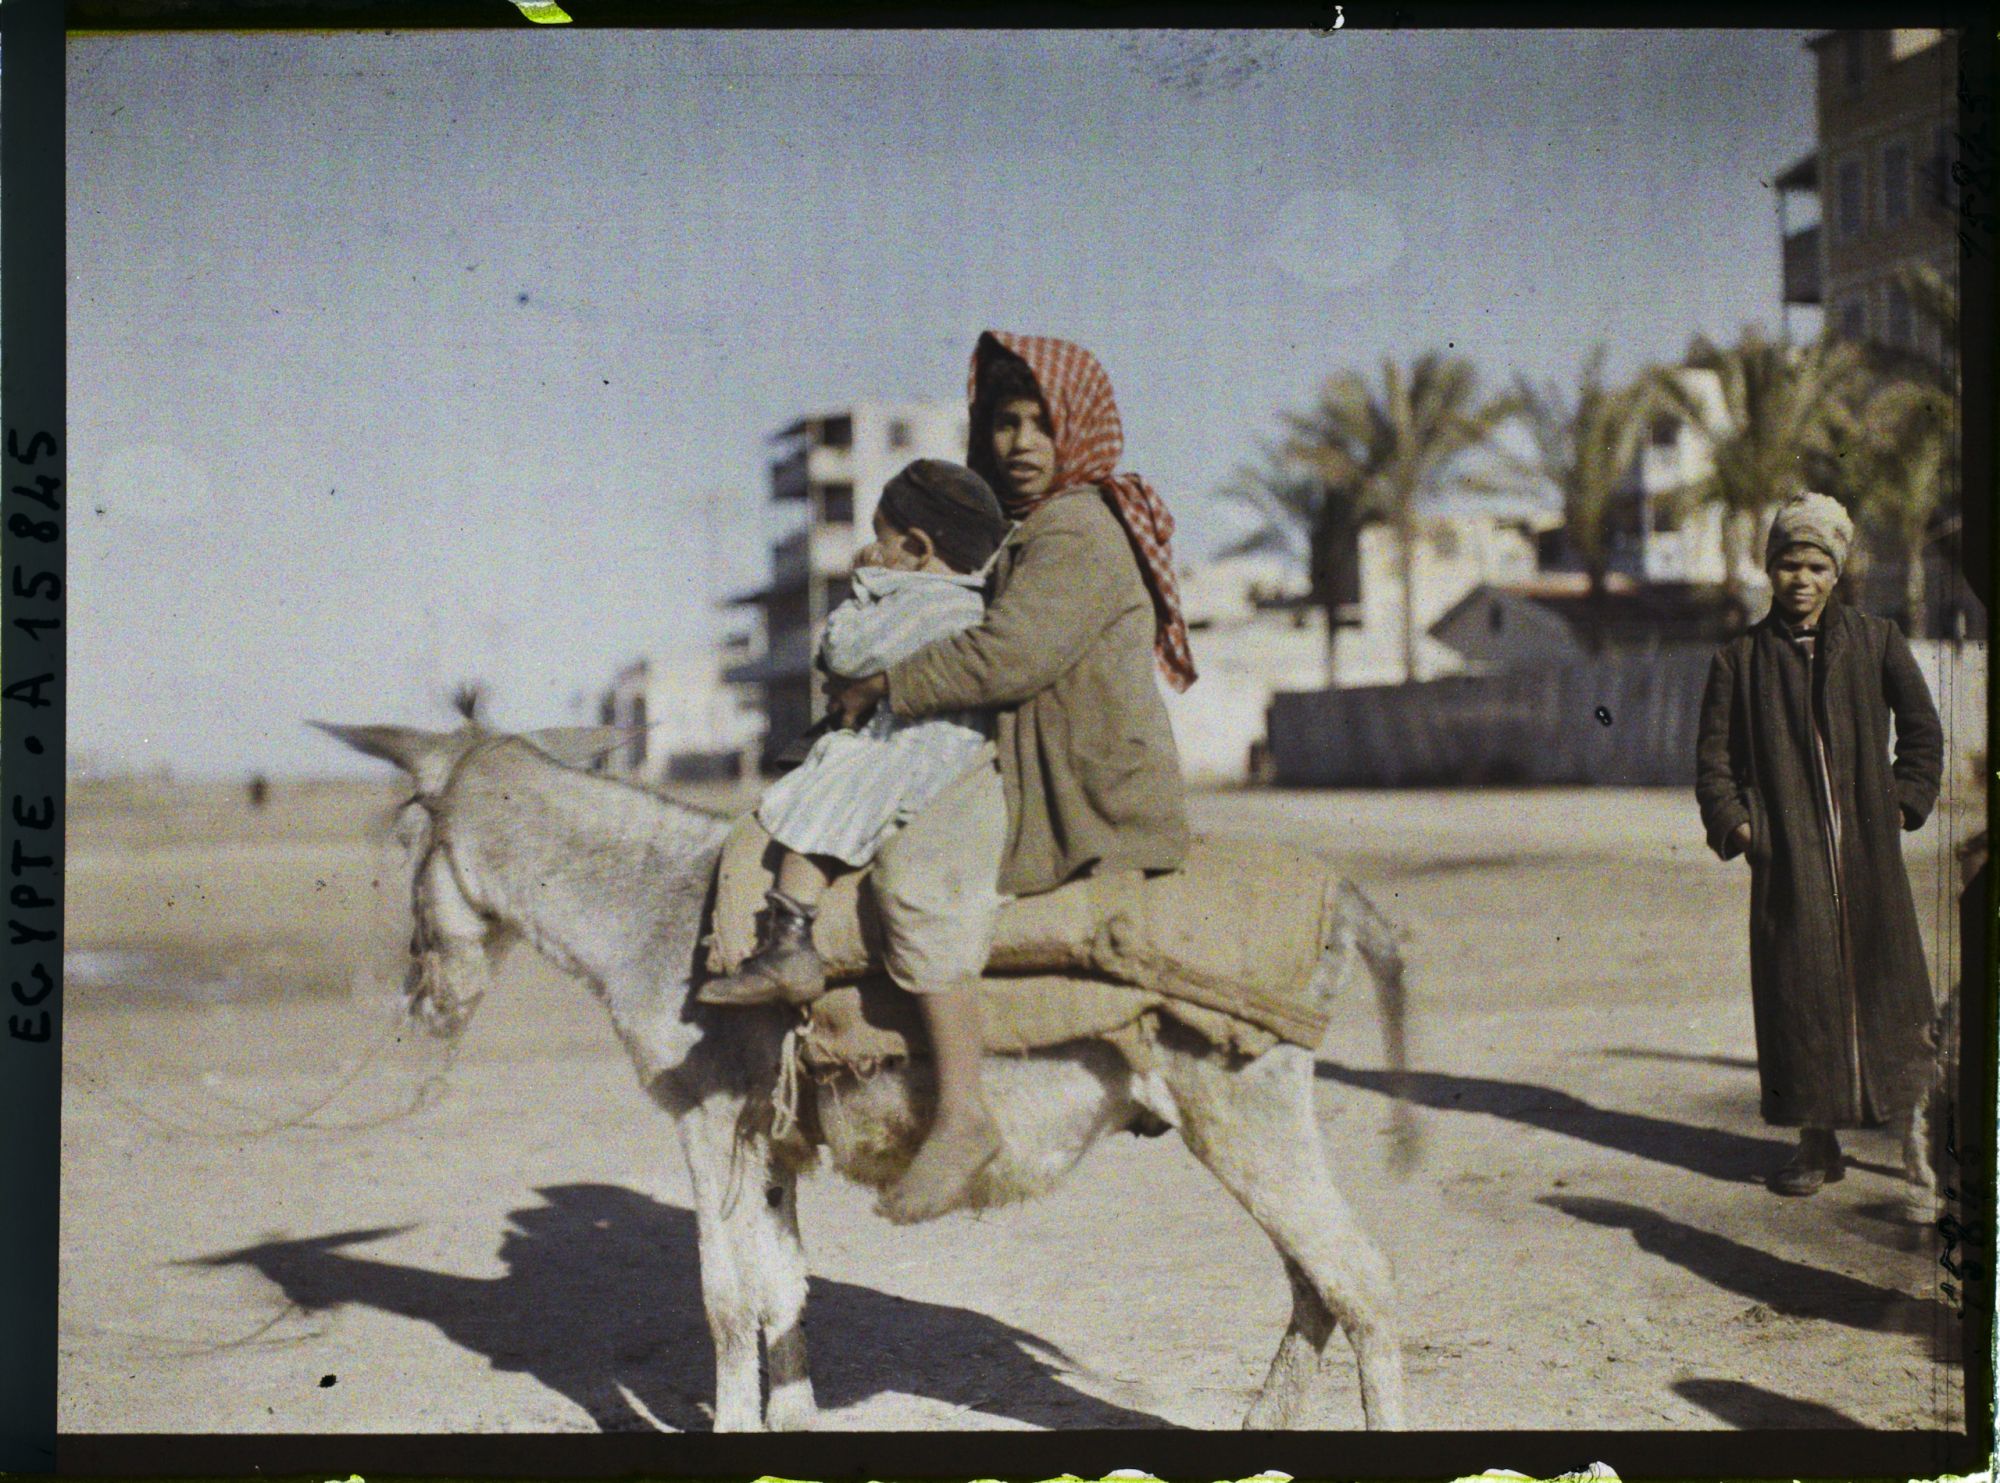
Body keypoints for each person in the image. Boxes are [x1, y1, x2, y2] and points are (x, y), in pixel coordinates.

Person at [825, 330, 1196, 1223]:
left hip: (1077, 780)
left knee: (914, 875)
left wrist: (884, 684)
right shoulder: (1028, 529)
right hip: (1032, 755)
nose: (1021, 443)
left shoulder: (1076, 528)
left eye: (1041, 422)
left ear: (1079, 427)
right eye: (1004, 423)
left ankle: (962, 1112)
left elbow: (1007, 655)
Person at [1695, 491, 1943, 1197]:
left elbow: (1922, 734)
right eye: (1787, 564)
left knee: (1892, 994)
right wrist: (1747, 830)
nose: (1800, 579)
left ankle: (1914, 1135)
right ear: (1769, 569)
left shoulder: (1876, 640)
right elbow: (1713, 765)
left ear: (1836, 572)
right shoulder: (1739, 659)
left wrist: (1901, 804)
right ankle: (1815, 1142)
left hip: (1870, 860)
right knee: (1798, 997)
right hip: (1789, 864)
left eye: (1815, 566)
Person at [700, 459, 1010, 1008]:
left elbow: (841, 651)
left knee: (817, 810)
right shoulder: (974, 606)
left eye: (881, 541)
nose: (872, 553)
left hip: (909, 752)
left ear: (915, 549)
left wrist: (861, 589)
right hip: (955, 758)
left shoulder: (919, 601)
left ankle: (789, 945)